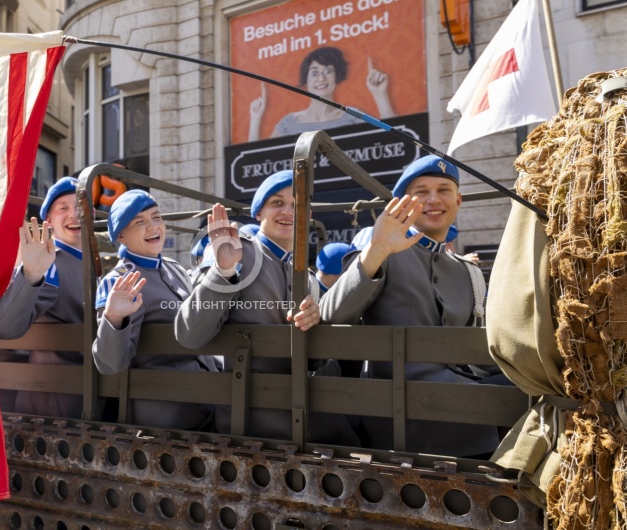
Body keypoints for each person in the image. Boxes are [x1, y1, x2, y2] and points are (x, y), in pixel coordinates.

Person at [320, 155, 499, 457]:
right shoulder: (383, 252)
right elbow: (330, 317)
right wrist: (377, 250)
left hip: (463, 404)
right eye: (421, 192)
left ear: (458, 200)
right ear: (403, 203)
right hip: (402, 415)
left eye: (443, 190)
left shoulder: (465, 271)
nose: (433, 200)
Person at [175, 170, 359, 446]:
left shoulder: (307, 279)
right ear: (258, 213)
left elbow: (314, 360)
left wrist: (316, 321)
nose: (288, 211)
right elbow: (190, 334)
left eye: (297, 205)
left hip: (298, 405)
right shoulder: (239, 250)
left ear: (308, 217)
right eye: (277, 202)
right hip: (250, 412)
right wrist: (224, 270)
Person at [93, 190, 219, 430]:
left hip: (207, 402)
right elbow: (109, 364)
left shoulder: (174, 269)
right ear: (121, 235)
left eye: (156, 217)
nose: (153, 227)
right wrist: (113, 317)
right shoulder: (119, 281)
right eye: (139, 222)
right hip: (167, 413)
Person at [0, 177, 86, 419]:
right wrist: (31, 274)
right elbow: (5, 326)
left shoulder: (90, 264)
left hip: (85, 395)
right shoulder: (49, 262)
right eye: (63, 208)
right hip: (56, 405)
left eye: (81, 207)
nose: (74, 214)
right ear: (49, 222)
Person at [248, 47, 394, 142]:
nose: (321, 78)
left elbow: (393, 142)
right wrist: (255, 119)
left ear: (337, 75)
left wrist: (380, 96)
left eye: (328, 71)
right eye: (314, 73)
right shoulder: (289, 123)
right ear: (306, 80)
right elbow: (258, 160)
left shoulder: (352, 115)